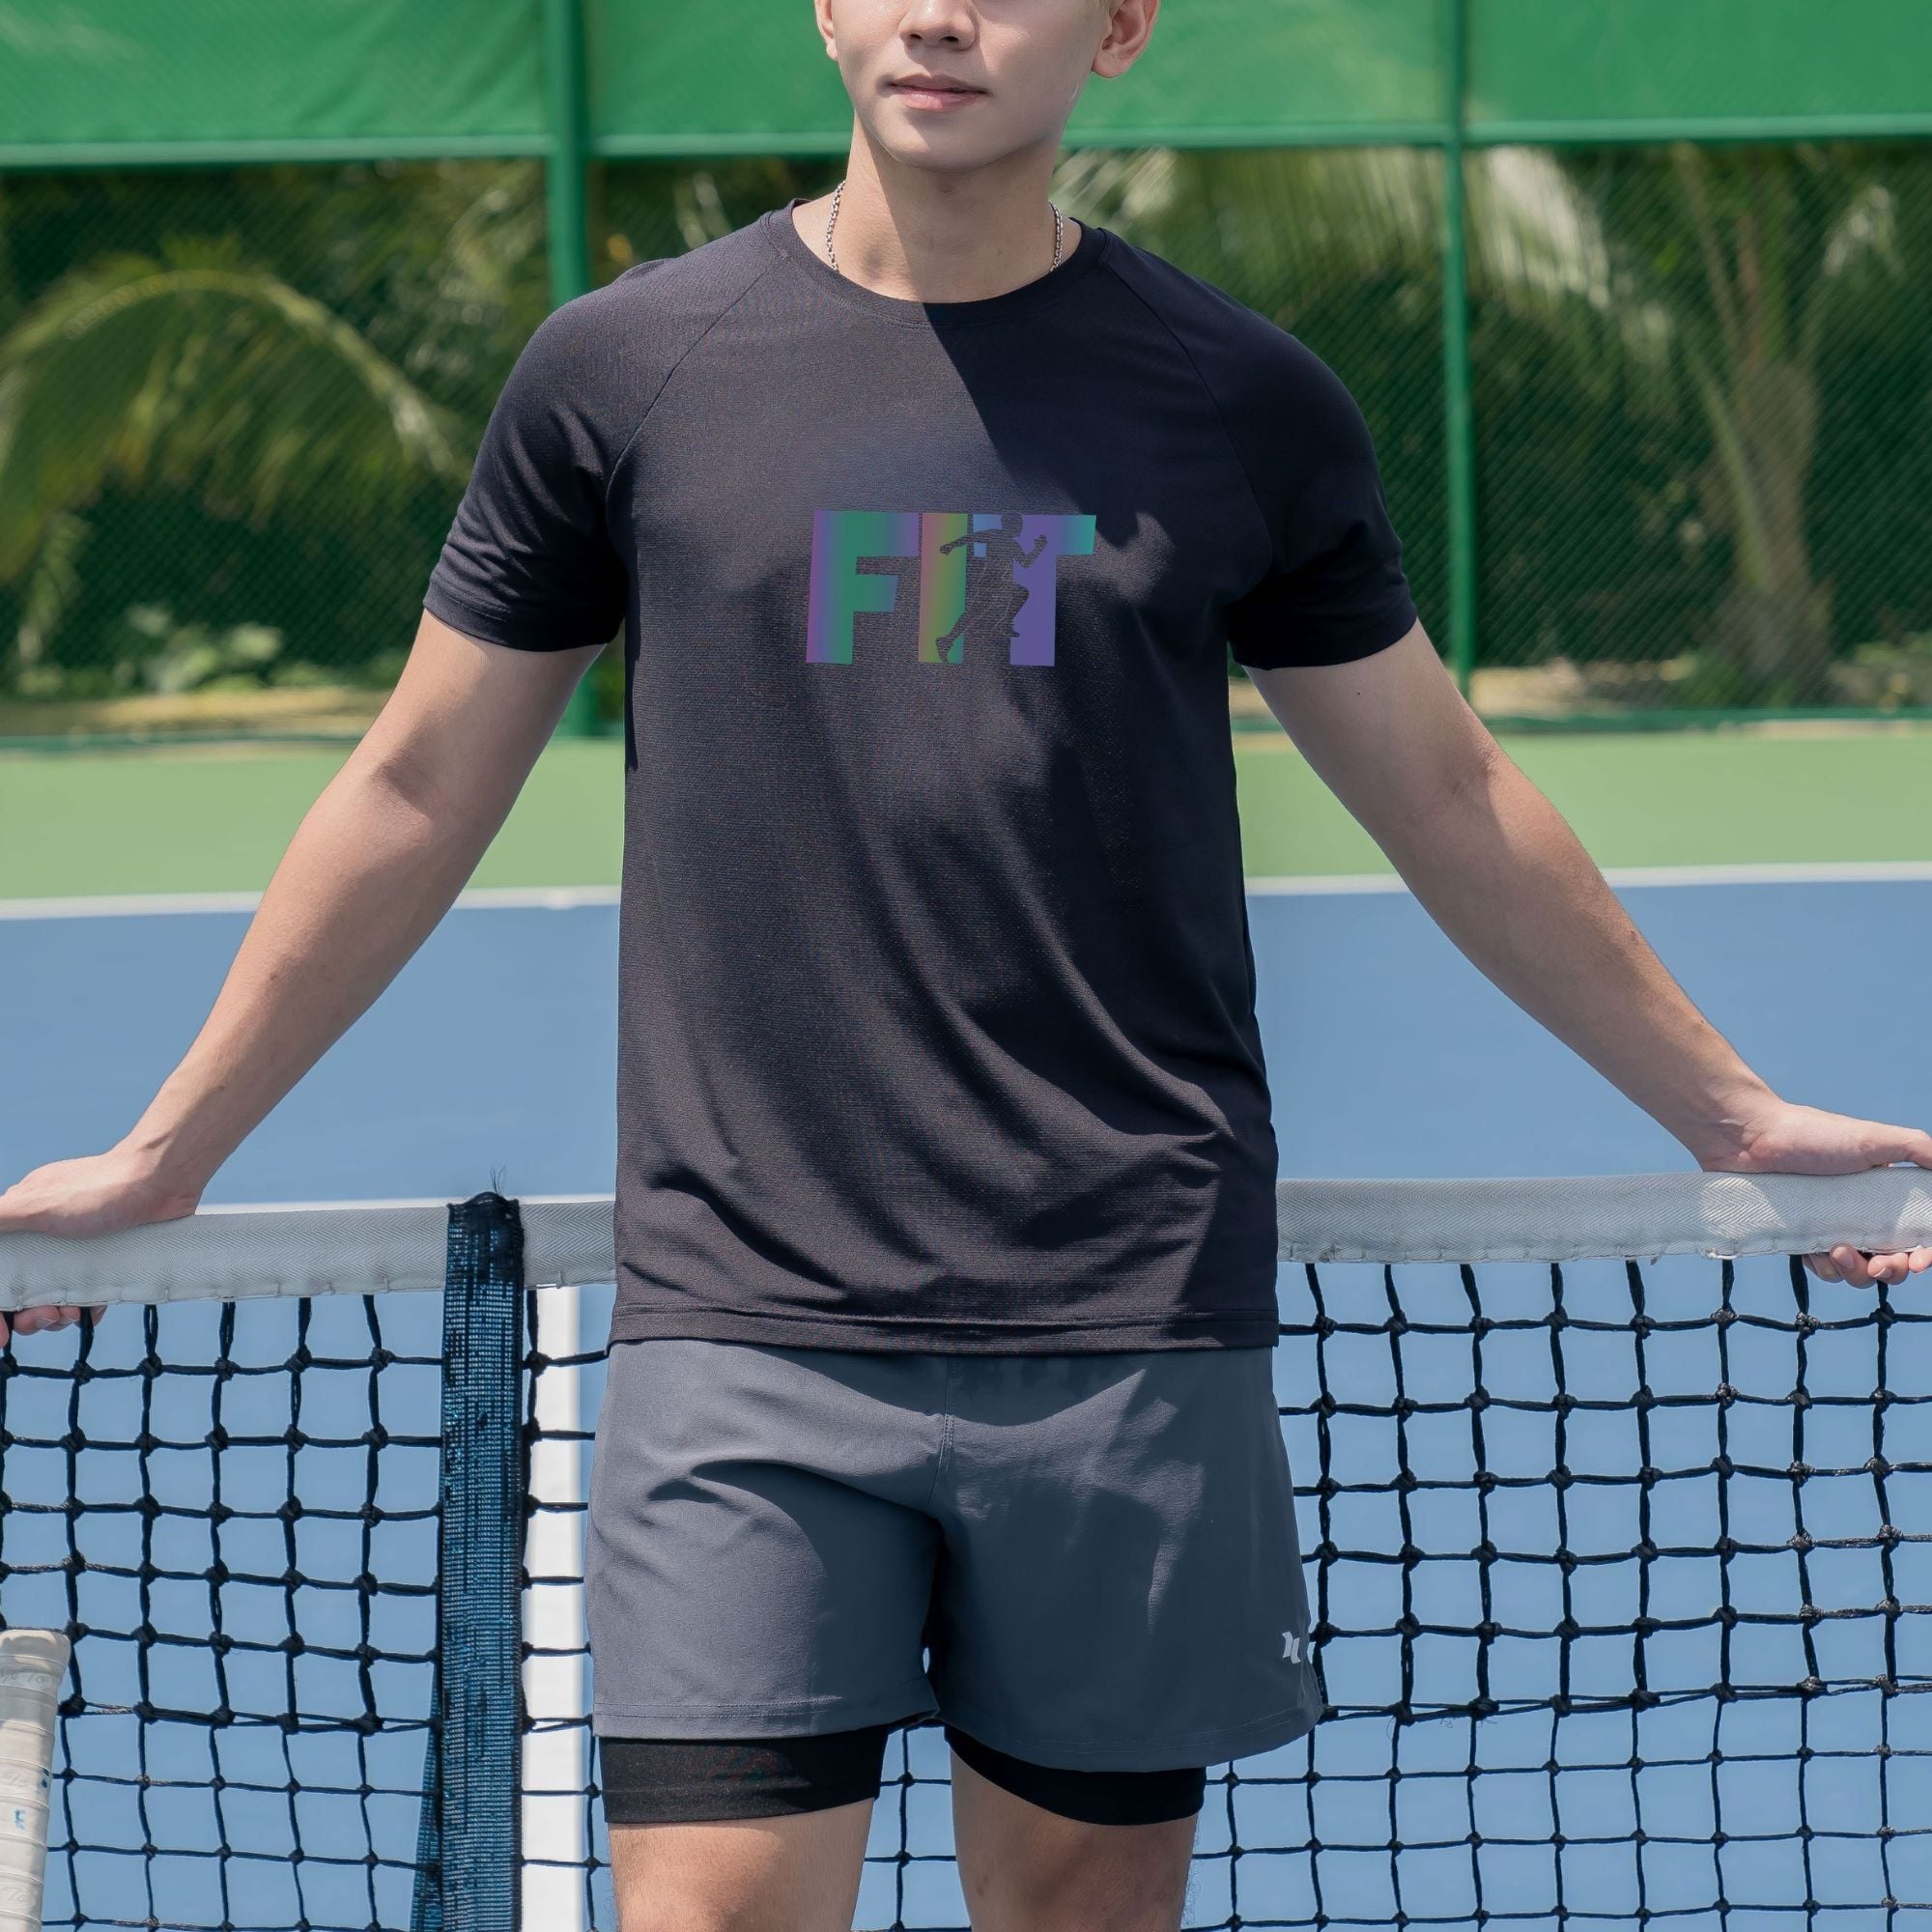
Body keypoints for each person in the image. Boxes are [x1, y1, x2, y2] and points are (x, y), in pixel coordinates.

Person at [4, 1, 1929, 1928]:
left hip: (1126, 1316)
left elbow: (1447, 789)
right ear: (828, 7)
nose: (939, 12)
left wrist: (1729, 1109)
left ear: (1119, 26)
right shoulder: (624, 371)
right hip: (746, 1326)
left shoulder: (1240, 401)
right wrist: (173, 1149)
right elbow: (419, 785)